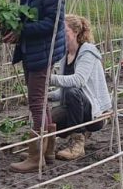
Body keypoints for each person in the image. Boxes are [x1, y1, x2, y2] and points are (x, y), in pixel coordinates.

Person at [4, 0, 65, 173]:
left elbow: (53, 22)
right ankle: (48, 151)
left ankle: (35, 156)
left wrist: (21, 32)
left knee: (36, 101)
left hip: (44, 49)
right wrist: (9, 24)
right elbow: (24, 15)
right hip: (31, 48)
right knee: (41, 100)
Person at [47, 14, 112, 161]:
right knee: (48, 121)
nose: (60, 35)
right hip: (74, 106)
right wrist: (47, 94)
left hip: (94, 113)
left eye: (64, 31)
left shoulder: (87, 51)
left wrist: (49, 79)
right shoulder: (65, 55)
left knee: (73, 92)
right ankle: (43, 148)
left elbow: (78, 81)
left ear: (75, 32)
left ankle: (77, 143)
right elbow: (63, 91)